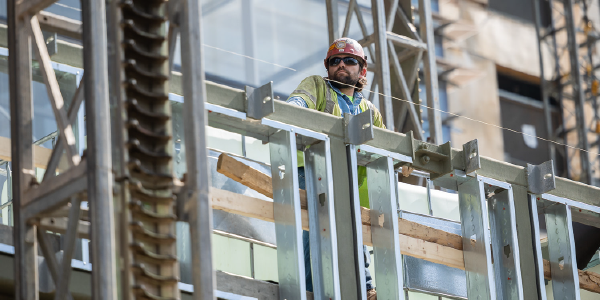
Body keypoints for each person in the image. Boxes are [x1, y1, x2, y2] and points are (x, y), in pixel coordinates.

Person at [286, 37, 385, 300]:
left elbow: (387, 150)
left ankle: (363, 290)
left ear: (362, 70)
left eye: (350, 60)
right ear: (327, 66)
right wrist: (289, 110)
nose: (341, 65)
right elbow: (297, 103)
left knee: (353, 244)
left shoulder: (370, 111)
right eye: (335, 61)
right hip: (312, 174)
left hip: (349, 186)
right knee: (313, 241)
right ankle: (311, 293)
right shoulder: (318, 86)